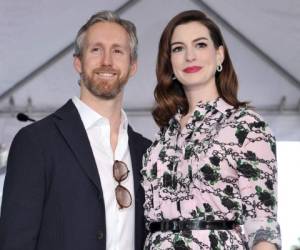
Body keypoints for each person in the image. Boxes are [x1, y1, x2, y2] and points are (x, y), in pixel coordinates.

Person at [0, 11, 151, 250]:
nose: (107, 61)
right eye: (96, 49)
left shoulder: (147, 153)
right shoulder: (36, 142)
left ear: (132, 66)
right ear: (78, 63)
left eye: (117, 51)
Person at [141, 10, 281, 250]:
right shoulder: (161, 138)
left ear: (219, 55)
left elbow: (262, 224)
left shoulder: (247, 126)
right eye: (178, 48)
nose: (190, 56)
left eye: (200, 44)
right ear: (170, 63)